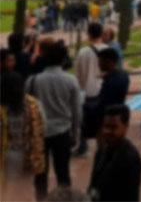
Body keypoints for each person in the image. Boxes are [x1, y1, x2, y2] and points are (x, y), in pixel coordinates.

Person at [26, 42, 81, 200]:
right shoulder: (71, 80)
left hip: (39, 134)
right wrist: (76, 134)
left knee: (40, 174)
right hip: (62, 132)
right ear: (64, 60)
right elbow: (77, 111)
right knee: (63, 174)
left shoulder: (33, 81)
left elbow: (27, 109)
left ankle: (41, 199)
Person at [0, 72, 46, 202]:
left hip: (5, 155)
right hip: (28, 154)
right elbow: (43, 127)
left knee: (6, 191)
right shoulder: (33, 104)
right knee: (25, 190)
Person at [88, 105, 141, 202]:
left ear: (125, 127)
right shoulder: (102, 151)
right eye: (105, 126)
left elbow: (131, 196)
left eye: (113, 127)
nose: (107, 131)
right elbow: (93, 182)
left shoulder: (130, 158)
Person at [74, 22, 107, 154]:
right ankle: (102, 148)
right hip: (103, 91)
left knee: (83, 122)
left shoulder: (83, 52)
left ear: (88, 34)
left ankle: (82, 147)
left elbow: (78, 74)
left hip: (87, 92)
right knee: (101, 122)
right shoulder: (107, 50)